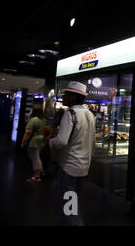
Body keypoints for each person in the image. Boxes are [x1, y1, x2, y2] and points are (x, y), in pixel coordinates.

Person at [44, 81, 96, 226]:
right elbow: (92, 143)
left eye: (66, 94)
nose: (63, 97)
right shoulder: (89, 114)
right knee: (74, 201)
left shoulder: (70, 113)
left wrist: (49, 142)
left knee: (69, 205)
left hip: (69, 167)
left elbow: (61, 141)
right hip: (83, 167)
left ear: (73, 97)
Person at [21, 108, 47, 181]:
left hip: (34, 140)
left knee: (35, 158)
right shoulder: (43, 120)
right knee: (37, 156)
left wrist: (23, 142)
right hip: (41, 139)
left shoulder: (33, 119)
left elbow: (28, 132)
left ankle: (37, 176)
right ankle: (41, 172)